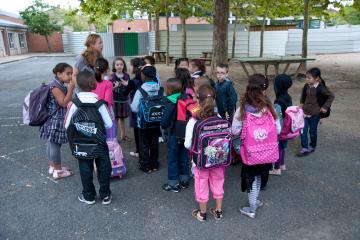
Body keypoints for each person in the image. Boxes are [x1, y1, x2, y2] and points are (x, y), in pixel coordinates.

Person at [232, 74, 281, 219]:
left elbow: (234, 130)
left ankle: (251, 208)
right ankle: (255, 201)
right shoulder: (269, 106)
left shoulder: (242, 108)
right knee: (260, 176)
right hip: (267, 150)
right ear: (264, 88)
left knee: (251, 178)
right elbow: (277, 129)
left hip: (250, 151)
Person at [65, 70, 113, 205]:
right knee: (103, 168)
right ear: (93, 84)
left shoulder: (74, 103)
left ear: (78, 85)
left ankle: (89, 196)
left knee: (85, 169)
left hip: (81, 144)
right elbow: (109, 124)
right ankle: (105, 195)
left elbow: (67, 124)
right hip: (99, 143)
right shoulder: (99, 102)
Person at [185, 85, 226, 222]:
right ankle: (218, 211)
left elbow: (187, 144)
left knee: (201, 184)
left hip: (201, 161)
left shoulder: (193, 120)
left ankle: (202, 213)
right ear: (214, 99)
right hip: (219, 159)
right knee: (218, 182)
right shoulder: (219, 117)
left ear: (197, 99)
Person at [40, 63, 75, 179]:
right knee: (55, 145)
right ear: (59, 74)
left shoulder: (58, 84)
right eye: (68, 74)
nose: (70, 76)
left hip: (52, 119)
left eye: (71, 74)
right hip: (55, 121)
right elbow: (63, 103)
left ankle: (53, 167)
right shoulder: (55, 87)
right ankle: (58, 171)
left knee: (51, 143)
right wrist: (71, 89)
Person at [297, 67, 335, 157]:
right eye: (306, 77)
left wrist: (325, 107)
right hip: (305, 113)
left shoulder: (321, 88)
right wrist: (301, 103)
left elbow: (331, 96)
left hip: (315, 114)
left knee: (312, 132)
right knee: (303, 130)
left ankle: (312, 145)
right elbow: (303, 95)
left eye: (309, 78)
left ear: (317, 78)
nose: (307, 79)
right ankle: (304, 148)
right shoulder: (306, 86)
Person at [161, 78, 190, 192]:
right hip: (185, 133)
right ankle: (184, 179)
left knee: (172, 158)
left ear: (169, 90)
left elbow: (164, 122)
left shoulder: (171, 102)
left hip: (173, 134)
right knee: (184, 155)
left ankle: (173, 183)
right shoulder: (186, 99)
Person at [131, 65, 161, 173]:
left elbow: (134, 108)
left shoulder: (141, 90)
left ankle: (145, 165)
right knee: (154, 142)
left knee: (144, 144)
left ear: (143, 76)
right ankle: (154, 164)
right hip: (157, 121)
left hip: (143, 122)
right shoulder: (160, 89)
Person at [121, 57, 146, 157]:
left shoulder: (133, 82)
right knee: (145, 131)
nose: (130, 67)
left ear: (135, 68)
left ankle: (138, 151)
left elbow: (124, 93)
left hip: (136, 109)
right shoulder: (147, 80)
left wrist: (127, 86)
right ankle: (146, 150)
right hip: (146, 108)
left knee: (137, 131)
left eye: (131, 65)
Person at [270, 74, 293, 175]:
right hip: (287, 126)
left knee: (278, 146)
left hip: (281, 126)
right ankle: (282, 164)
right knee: (283, 146)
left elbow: (277, 117)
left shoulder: (278, 101)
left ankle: (277, 168)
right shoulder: (287, 97)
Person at [91, 58, 116, 140]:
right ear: (106, 69)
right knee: (108, 136)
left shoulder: (91, 82)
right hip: (105, 112)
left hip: (93, 112)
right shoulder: (108, 84)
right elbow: (107, 102)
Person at [111, 57, 131, 142]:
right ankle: (114, 137)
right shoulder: (112, 76)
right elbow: (109, 90)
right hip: (115, 100)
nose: (119, 66)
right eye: (117, 64)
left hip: (124, 100)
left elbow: (130, 88)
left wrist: (127, 85)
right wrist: (114, 87)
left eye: (121, 64)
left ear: (124, 65)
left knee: (122, 119)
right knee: (115, 119)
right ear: (114, 66)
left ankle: (123, 135)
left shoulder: (127, 75)